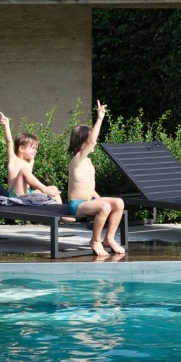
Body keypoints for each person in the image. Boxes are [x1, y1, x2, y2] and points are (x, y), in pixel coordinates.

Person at [67, 100, 126, 257]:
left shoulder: (88, 161)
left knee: (118, 202)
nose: (94, 143)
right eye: (90, 140)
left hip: (88, 201)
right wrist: (99, 118)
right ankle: (95, 240)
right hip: (76, 205)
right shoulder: (77, 159)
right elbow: (92, 140)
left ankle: (109, 239)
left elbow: (87, 187)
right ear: (83, 142)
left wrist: (100, 199)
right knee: (105, 207)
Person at [0, 112, 75, 221]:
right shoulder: (13, 159)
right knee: (24, 171)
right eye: (32, 148)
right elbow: (9, 142)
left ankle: (61, 215)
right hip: (16, 196)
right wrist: (6, 125)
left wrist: (34, 146)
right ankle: (44, 189)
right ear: (21, 148)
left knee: (53, 188)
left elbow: (32, 154)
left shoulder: (30, 162)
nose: (35, 151)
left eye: (36, 149)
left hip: (28, 194)